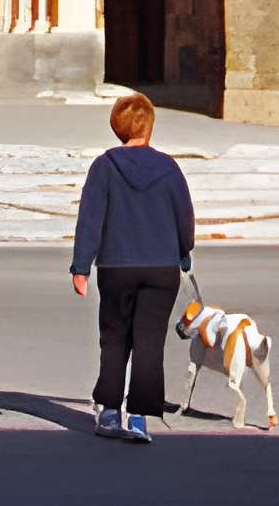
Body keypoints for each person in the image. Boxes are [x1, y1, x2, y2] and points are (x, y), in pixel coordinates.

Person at [68, 91, 194, 443]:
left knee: (114, 339)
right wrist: (184, 251)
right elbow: (184, 215)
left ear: (117, 129)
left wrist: (81, 267)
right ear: (150, 128)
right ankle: (138, 417)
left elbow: (90, 218)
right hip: (160, 267)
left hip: (116, 265)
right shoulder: (169, 167)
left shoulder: (105, 166)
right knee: (149, 342)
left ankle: (109, 412)